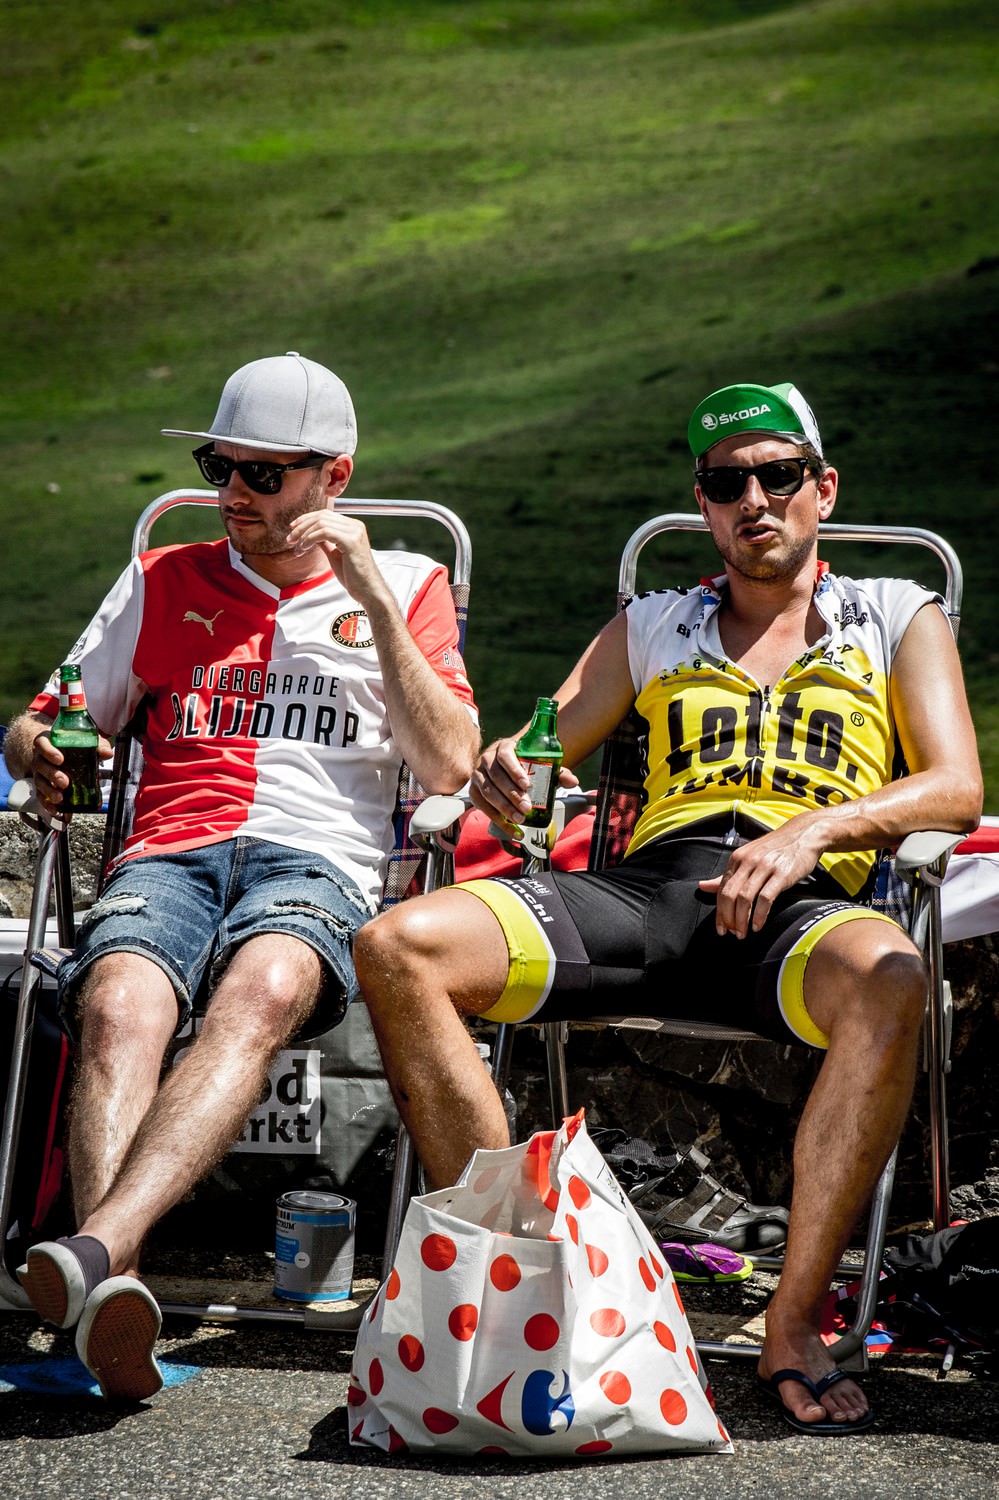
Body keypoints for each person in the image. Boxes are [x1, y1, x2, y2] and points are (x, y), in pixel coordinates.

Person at [354, 380, 982, 1436]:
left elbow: (956, 787)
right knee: (397, 945)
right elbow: (539, 749)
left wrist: (808, 833)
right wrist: (513, 771)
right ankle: (511, 1278)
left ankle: (793, 1325)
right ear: (703, 504)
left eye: (779, 476)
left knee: (894, 980)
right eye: (727, 482)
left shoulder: (895, 612)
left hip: (802, 907)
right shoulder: (653, 621)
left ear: (822, 489)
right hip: (647, 893)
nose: (755, 499)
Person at [4, 351, 479, 1400]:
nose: (232, 495)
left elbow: (452, 763)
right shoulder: (165, 577)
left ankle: (91, 1255)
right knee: (120, 998)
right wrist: (37, 744)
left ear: (333, 480)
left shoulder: (410, 586)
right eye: (223, 467)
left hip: (317, 858)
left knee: (262, 988)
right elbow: (45, 719)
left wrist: (373, 601)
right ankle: (112, 1293)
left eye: (264, 475)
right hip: (173, 846)